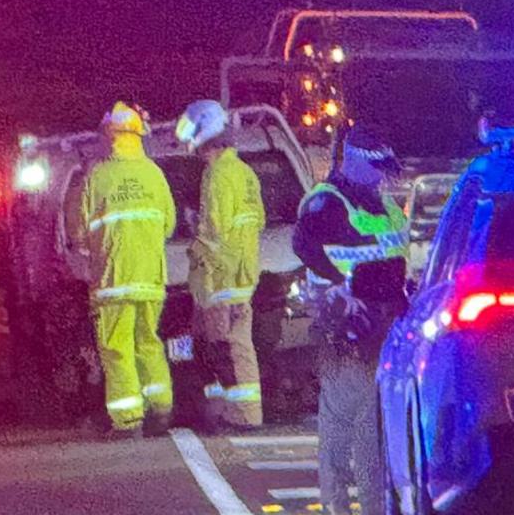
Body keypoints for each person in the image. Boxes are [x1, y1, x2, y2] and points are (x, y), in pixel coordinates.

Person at [292, 124, 409, 515]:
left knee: (372, 430)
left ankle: (375, 508)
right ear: (355, 160)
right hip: (344, 326)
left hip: (384, 325)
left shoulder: (386, 206)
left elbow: (394, 261)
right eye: (377, 168)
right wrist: (339, 287)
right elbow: (305, 245)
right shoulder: (328, 201)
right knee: (341, 429)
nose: (382, 177)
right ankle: (337, 509)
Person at [71, 101, 177, 438]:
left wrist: (97, 248)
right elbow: (169, 224)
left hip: (113, 280)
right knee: (149, 342)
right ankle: (160, 409)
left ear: (110, 136)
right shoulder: (154, 174)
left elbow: (79, 232)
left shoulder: (99, 175)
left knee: (118, 348)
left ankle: (128, 420)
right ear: (138, 135)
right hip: (151, 279)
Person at [175, 100, 266, 431]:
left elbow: (214, 231)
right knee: (237, 346)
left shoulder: (216, 175)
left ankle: (237, 415)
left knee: (223, 348)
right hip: (242, 275)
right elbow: (256, 221)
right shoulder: (244, 171)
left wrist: (195, 253)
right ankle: (239, 411)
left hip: (219, 279)